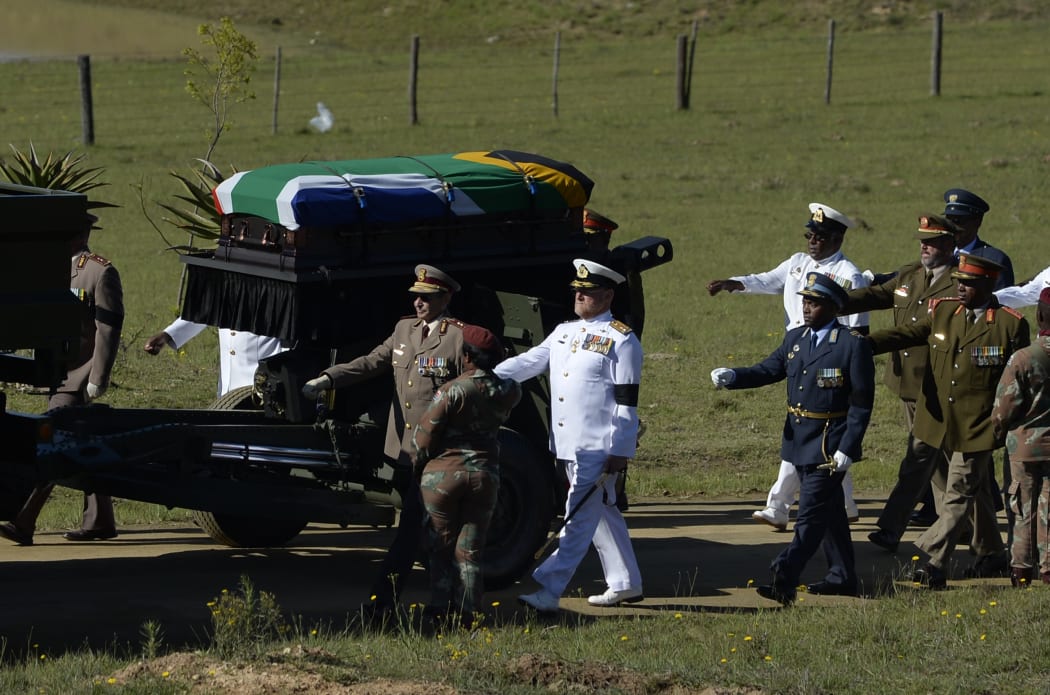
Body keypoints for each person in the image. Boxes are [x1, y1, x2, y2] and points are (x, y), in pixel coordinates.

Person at [300, 264, 465, 614]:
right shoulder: (404, 329)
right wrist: (328, 379)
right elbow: (371, 362)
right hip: (404, 451)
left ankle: (382, 602)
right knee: (427, 533)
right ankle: (452, 602)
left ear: (446, 297)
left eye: (427, 298)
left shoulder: (457, 338)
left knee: (409, 534)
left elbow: (474, 390)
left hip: (435, 453)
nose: (419, 303)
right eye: (416, 297)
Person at [711, 272, 875, 604]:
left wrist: (848, 446)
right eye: (804, 301)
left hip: (830, 444)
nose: (806, 308)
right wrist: (734, 376)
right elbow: (768, 370)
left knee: (811, 516)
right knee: (830, 513)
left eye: (813, 303)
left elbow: (861, 403)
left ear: (832, 307)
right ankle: (842, 577)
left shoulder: (850, 345)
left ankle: (784, 578)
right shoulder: (796, 339)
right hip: (798, 440)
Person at [867, 254, 1028, 589]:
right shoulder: (943, 312)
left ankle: (935, 562)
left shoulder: (1009, 325)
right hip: (937, 420)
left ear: (988, 284)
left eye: (968, 283)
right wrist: (866, 343)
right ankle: (992, 552)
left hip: (979, 426)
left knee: (958, 491)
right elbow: (908, 333)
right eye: (959, 281)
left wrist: (1001, 423)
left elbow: (1017, 383)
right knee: (977, 490)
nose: (961, 288)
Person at [708, 202, 868, 530]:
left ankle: (777, 506)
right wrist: (735, 283)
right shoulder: (797, 263)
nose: (813, 241)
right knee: (818, 433)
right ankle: (846, 504)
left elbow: (858, 328)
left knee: (807, 426)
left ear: (837, 238)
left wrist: (850, 367)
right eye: (810, 234)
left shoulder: (848, 275)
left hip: (831, 358)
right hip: (797, 352)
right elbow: (768, 280)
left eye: (821, 236)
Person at [498, 258, 644, 612]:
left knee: (577, 517)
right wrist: (489, 375)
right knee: (602, 512)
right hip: (566, 445)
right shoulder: (564, 332)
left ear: (607, 296)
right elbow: (531, 362)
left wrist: (621, 450)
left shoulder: (622, 340)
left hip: (598, 446)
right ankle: (626, 582)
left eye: (588, 292)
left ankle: (549, 590)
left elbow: (627, 403)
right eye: (577, 291)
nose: (579, 296)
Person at [837, 215, 962, 553]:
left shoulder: (958, 284)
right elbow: (877, 295)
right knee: (943, 462)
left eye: (933, 241)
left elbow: (919, 330)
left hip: (938, 389)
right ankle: (968, 526)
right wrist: (835, 300)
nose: (925, 246)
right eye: (922, 239)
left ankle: (892, 528)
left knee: (921, 457)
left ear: (951, 245)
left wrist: (870, 342)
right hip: (907, 385)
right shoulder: (909, 274)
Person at [0, 211, 124, 546]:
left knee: (51, 445)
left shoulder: (99, 271)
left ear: (82, 235)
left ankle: (24, 520)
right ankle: (100, 521)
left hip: (78, 376)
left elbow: (108, 328)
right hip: (55, 373)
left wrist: (98, 376)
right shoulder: (46, 268)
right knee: (83, 444)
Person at [411, 324, 522, 623]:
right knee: (470, 550)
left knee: (440, 546)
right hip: (486, 475)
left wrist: (418, 464)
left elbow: (423, 437)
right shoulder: (510, 390)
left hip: (443, 476)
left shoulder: (452, 391)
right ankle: (469, 613)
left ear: (468, 357)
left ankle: (438, 609)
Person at [990, 286, 1050, 587]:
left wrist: (997, 435)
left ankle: (1022, 569)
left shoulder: (1024, 358)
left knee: (1020, 505)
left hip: (1024, 446)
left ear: (1039, 316)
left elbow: (1004, 408)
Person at [144, 319, 285, 397]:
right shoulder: (227, 279)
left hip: (263, 390)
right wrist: (168, 335)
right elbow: (204, 312)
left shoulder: (275, 285)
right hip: (226, 392)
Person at [943, 188, 1014, 290]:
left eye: (958, 221)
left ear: (977, 222)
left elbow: (1002, 302)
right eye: (948, 221)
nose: (952, 227)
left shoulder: (994, 260)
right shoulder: (939, 255)